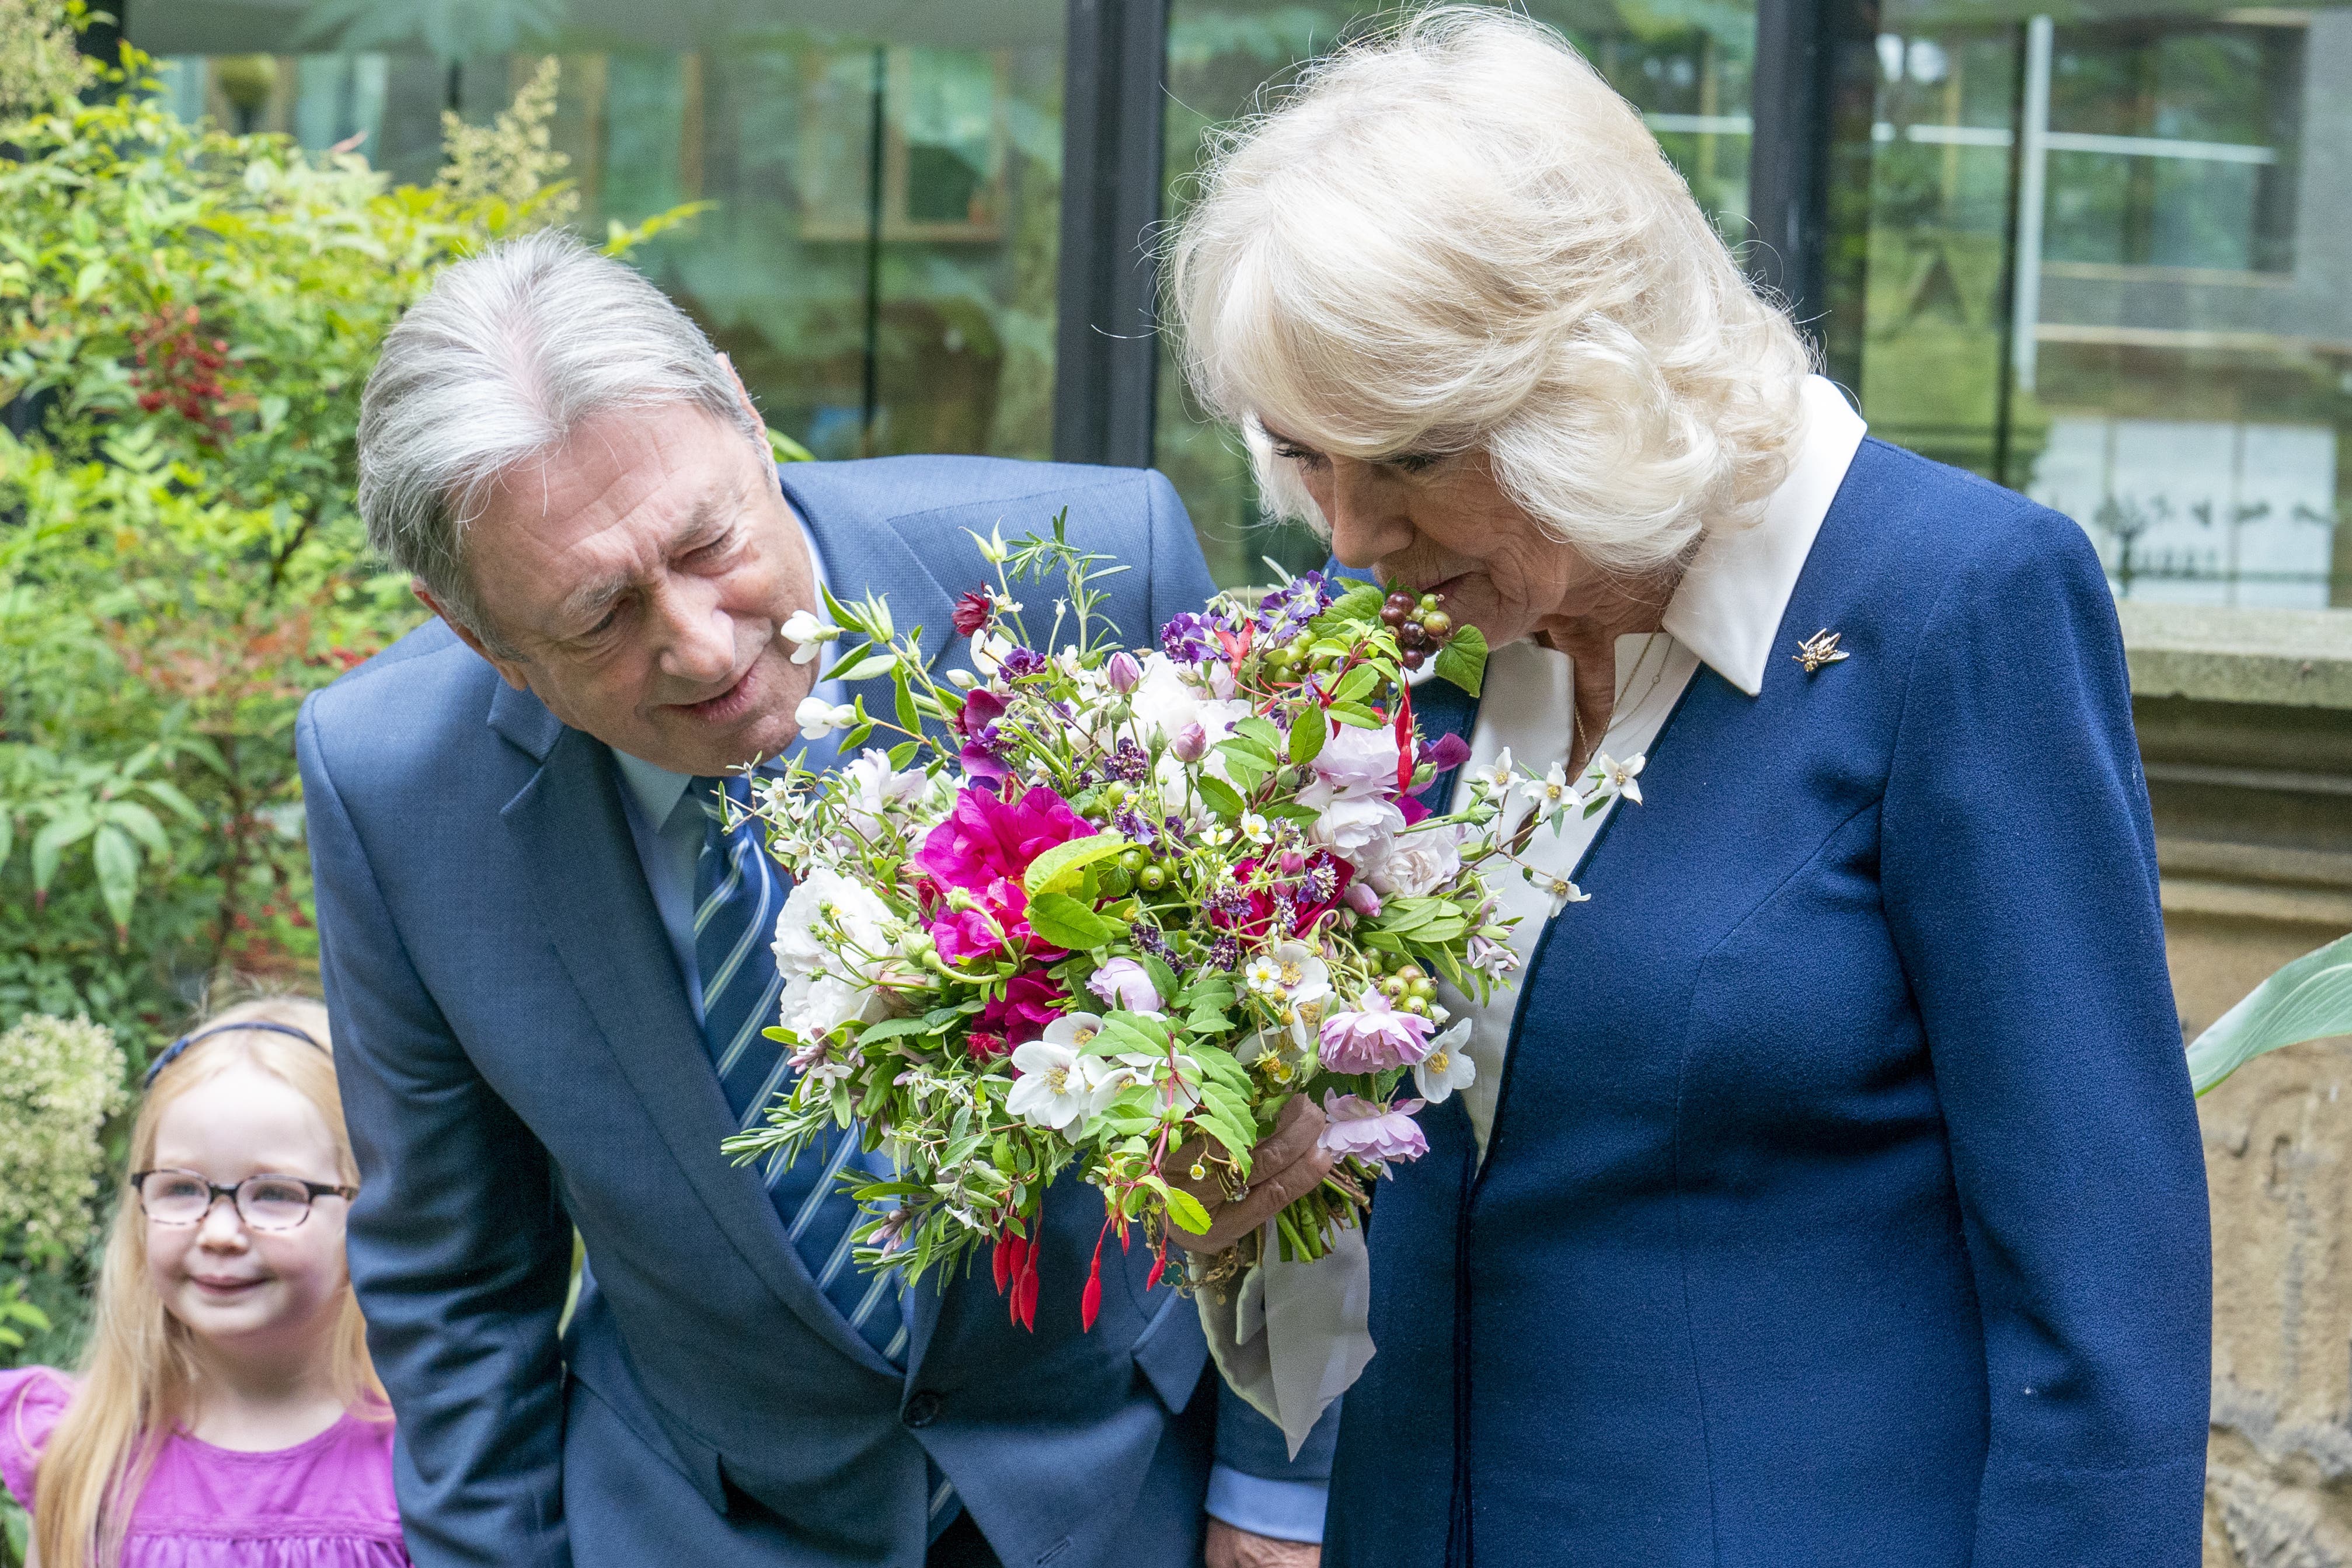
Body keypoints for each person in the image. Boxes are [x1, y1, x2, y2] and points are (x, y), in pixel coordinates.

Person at [1161, 9, 2212, 1566]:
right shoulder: (1407, 648)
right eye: (1307, 457)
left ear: (1590, 374)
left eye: (1407, 457)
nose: (1347, 535)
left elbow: (2102, 1306)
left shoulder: (1955, 599)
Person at [297, 229, 1333, 1568]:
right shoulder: (390, 780)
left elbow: (1296, 1062)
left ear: (742, 407)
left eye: (708, 541)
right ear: (473, 632)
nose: (700, 643)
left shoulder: (1088, 573)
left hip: (1127, 1474)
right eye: (598, 616)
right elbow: (455, 1285)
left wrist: (1278, 1486)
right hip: (701, 1513)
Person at [0, 998, 407, 1568]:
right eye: (182, 1188)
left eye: (275, 1193)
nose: (218, 1232)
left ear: (367, 1209)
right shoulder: (84, 1452)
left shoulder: (418, 1461)